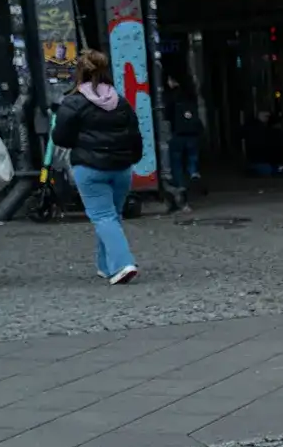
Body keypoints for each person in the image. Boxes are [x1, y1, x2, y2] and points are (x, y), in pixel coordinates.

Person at [51, 50, 144, 284]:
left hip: (89, 167)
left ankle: (122, 264)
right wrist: (132, 158)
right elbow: (135, 135)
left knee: (103, 217)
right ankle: (106, 266)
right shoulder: (120, 101)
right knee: (112, 216)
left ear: (79, 73)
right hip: (121, 168)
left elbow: (60, 138)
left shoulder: (73, 102)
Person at [163, 73, 204, 194]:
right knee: (192, 156)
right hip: (192, 131)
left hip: (178, 131)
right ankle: (193, 172)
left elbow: (167, 114)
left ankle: (180, 184)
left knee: (176, 160)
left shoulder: (172, 96)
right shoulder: (191, 94)